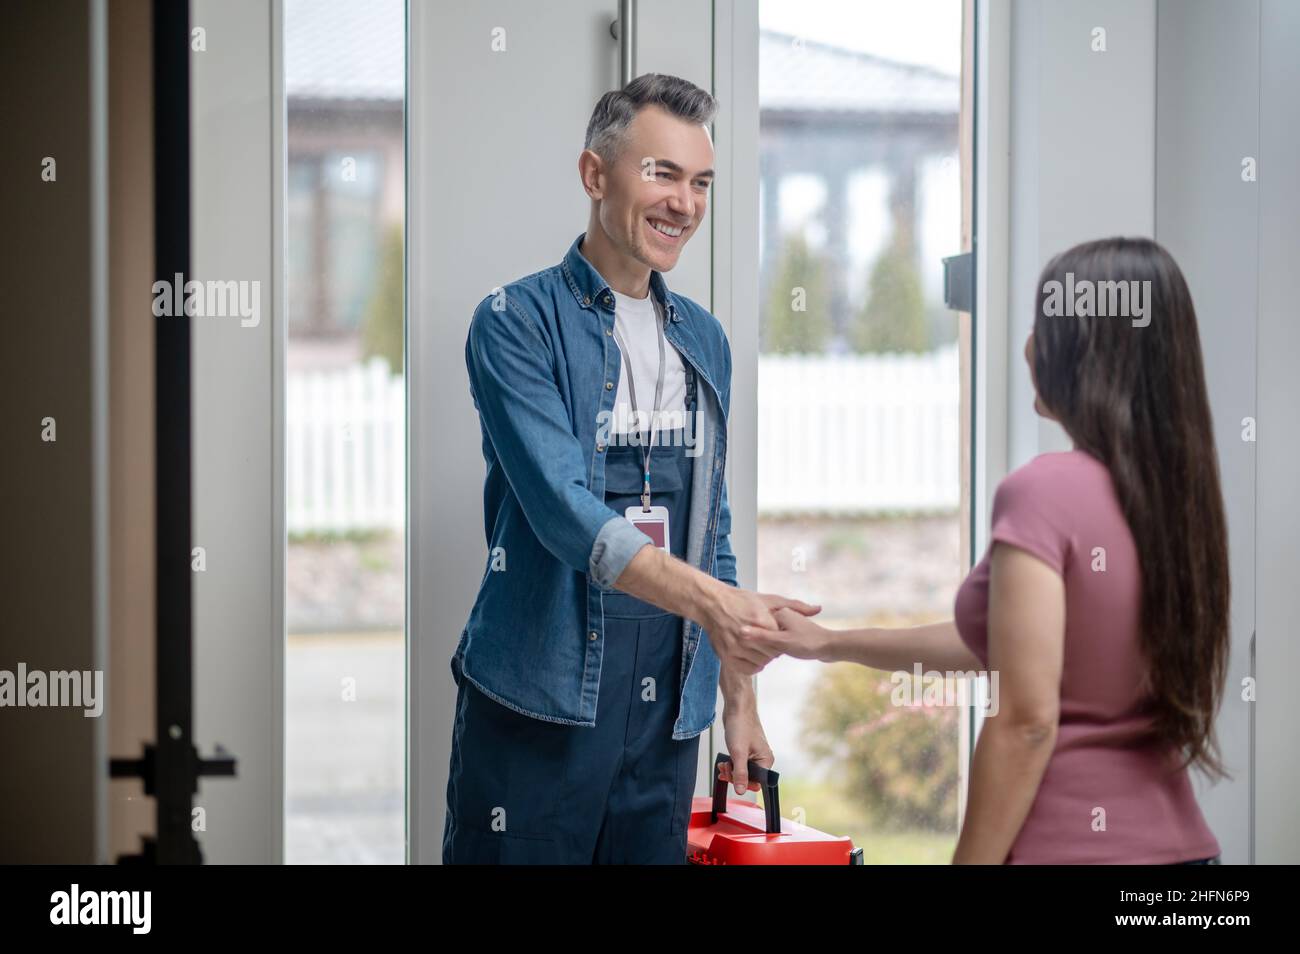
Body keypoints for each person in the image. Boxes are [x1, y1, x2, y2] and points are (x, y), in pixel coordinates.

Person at [751, 237, 1228, 864]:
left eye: (1042, 326)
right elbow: (1006, 647)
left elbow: (1027, 721)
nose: (1029, 345)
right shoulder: (1180, 503)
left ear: (1085, 352)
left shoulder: (1044, 492)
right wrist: (829, 643)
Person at [442, 73, 818, 865]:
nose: (685, 202)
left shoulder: (705, 340)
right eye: (662, 173)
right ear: (594, 175)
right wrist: (719, 602)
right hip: (538, 704)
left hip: (662, 718)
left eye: (701, 182)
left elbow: (708, 526)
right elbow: (560, 510)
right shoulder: (515, 324)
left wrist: (735, 700)